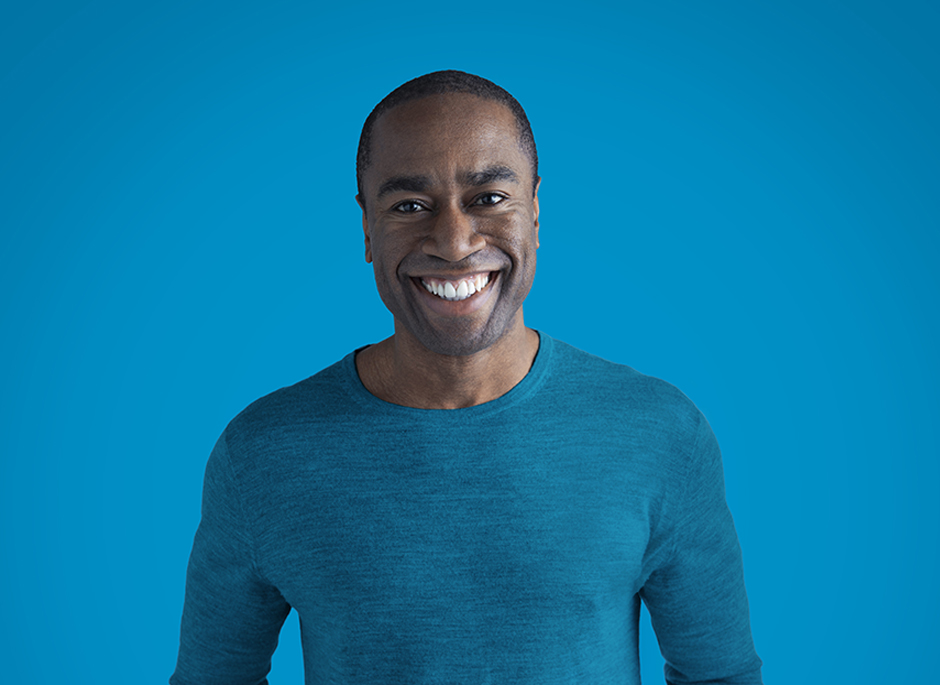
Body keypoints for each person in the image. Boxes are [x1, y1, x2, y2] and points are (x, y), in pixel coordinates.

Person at [170, 70, 763, 685]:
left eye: (488, 198)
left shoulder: (659, 433)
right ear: (367, 227)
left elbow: (720, 676)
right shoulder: (263, 452)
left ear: (534, 209)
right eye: (409, 206)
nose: (454, 241)